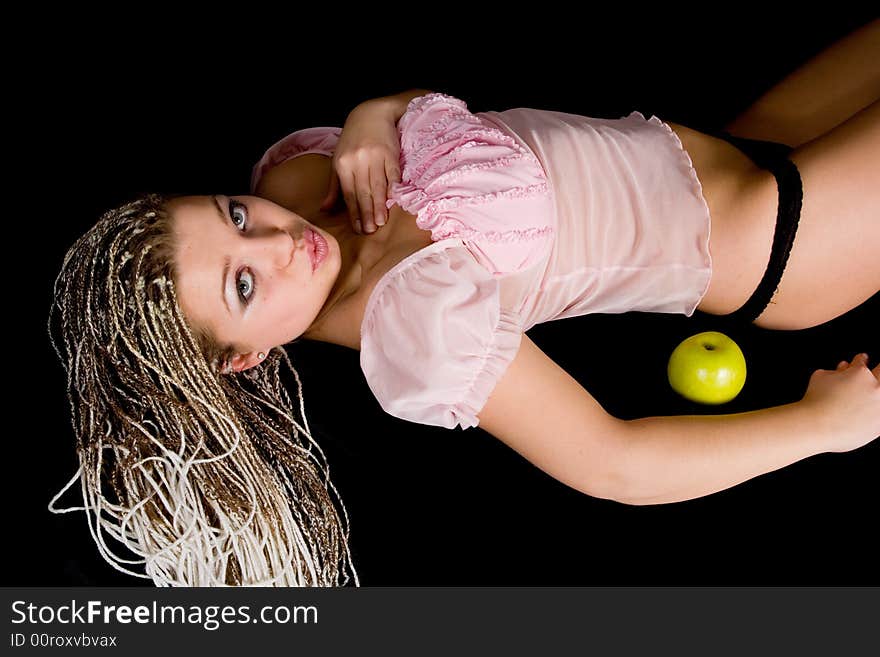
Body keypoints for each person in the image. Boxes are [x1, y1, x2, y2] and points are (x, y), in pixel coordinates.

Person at [48, 20, 880, 586]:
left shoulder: (298, 178)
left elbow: (434, 117)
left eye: (233, 218)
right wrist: (821, 427)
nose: (275, 242)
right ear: (243, 356)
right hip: (786, 237)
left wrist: (374, 114)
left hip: (745, 137)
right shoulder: (420, 331)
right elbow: (611, 463)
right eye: (244, 285)